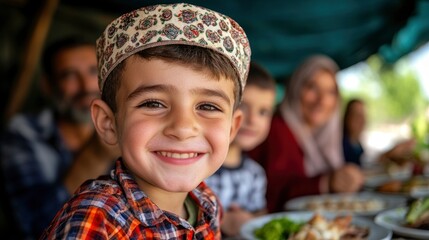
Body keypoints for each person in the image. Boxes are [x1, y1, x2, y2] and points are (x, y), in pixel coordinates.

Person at [40, 3, 251, 239]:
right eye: (153, 104)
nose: (182, 128)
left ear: (232, 128)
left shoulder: (207, 202)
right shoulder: (96, 220)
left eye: (208, 106)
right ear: (108, 123)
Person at [0, 37, 119, 239]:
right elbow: (35, 226)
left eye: (93, 72)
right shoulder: (23, 133)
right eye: (69, 75)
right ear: (47, 86)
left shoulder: (127, 129)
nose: (86, 86)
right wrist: (97, 155)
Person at [249, 55, 364, 213]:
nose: (322, 100)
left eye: (330, 92)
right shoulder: (278, 127)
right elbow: (274, 192)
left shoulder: (323, 137)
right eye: (312, 87)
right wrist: (326, 182)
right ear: (296, 88)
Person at [205, 62, 276, 237]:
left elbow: (260, 212)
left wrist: (250, 219)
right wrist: (223, 220)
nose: (252, 120)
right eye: (243, 106)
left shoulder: (255, 174)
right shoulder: (200, 168)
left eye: (263, 112)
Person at [342, 98, 416, 166]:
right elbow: (362, 167)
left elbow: (368, 161)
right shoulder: (341, 145)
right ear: (347, 117)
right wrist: (390, 153)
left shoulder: (358, 144)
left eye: (363, 115)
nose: (361, 120)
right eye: (356, 115)